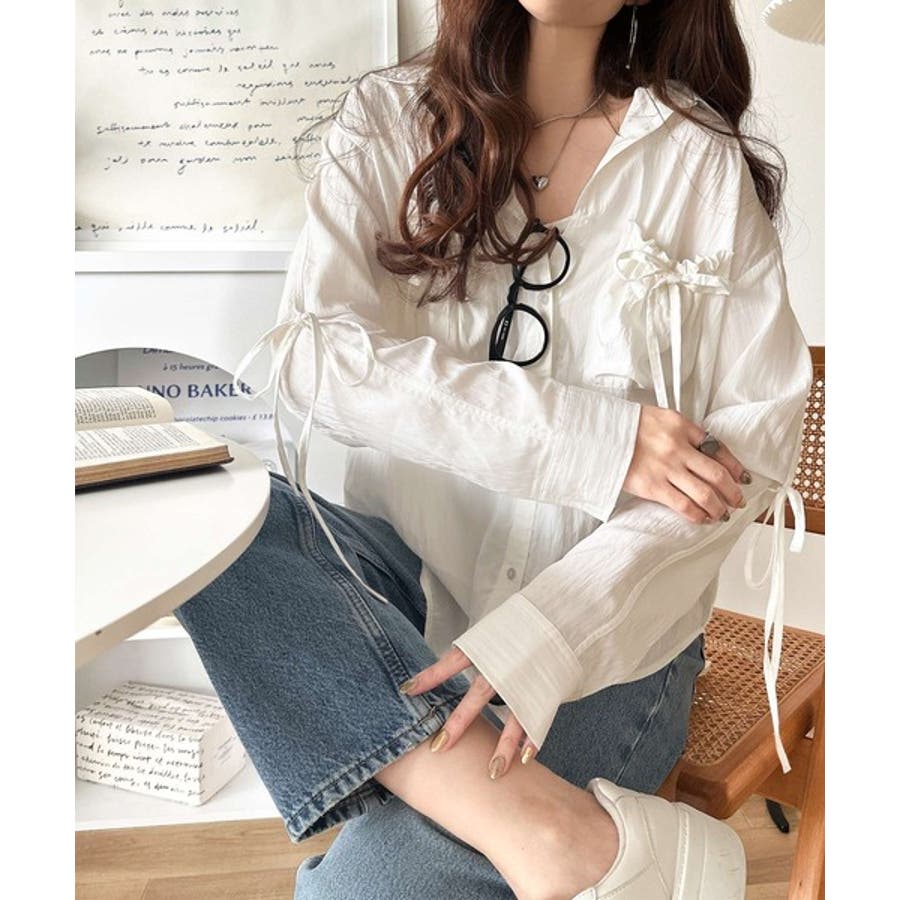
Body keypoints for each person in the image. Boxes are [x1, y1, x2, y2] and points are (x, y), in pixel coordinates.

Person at [173, 1, 813, 897]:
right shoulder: (389, 119)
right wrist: (595, 440)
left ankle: (471, 808)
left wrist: (543, 637)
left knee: (367, 891)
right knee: (204, 520)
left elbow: (747, 456)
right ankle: (550, 828)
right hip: (397, 591)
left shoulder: (694, 160)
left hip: (606, 636)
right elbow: (315, 359)